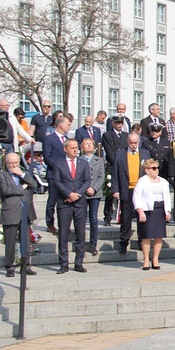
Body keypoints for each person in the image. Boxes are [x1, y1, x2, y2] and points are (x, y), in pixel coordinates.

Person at [0, 153, 38, 277]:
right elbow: (6, 191)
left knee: (25, 241)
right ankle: (9, 266)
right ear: (6, 163)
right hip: (11, 212)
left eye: (16, 163)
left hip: (25, 212)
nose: (14, 165)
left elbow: (34, 185)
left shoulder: (23, 174)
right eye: (11, 163)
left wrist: (22, 175)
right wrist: (22, 187)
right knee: (10, 241)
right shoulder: (1, 175)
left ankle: (25, 266)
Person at [53, 139, 90, 274]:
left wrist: (77, 194)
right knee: (63, 233)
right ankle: (63, 263)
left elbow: (87, 181)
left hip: (79, 202)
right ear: (65, 149)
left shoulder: (84, 163)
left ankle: (79, 263)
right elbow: (56, 182)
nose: (75, 150)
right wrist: (68, 193)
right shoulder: (59, 164)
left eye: (76, 148)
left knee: (80, 233)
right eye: (72, 148)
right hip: (65, 203)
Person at [112, 133, 151, 255]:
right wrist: (115, 190)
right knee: (126, 219)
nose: (133, 145)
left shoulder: (145, 153)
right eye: (131, 143)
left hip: (141, 191)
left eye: (135, 143)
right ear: (127, 142)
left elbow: (150, 172)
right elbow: (115, 173)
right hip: (126, 190)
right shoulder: (120, 154)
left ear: (139, 142)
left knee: (141, 218)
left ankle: (141, 242)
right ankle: (124, 243)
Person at [132, 158, 171, 270]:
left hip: (160, 209)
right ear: (146, 170)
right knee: (147, 236)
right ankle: (145, 260)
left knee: (159, 236)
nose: (156, 170)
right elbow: (136, 197)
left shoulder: (163, 181)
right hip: (148, 210)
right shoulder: (142, 181)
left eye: (157, 168)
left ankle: (155, 259)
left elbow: (167, 197)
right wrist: (140, 211)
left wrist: (167, 210)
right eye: (153, 168)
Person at [43, 115, 72, 235]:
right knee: (52, 200)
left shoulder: (67, 139)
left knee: (65, 201)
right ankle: (50, 223)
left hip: (66, 176)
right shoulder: (49, 139)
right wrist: (59, 167)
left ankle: (64, 225)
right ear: (61, 125)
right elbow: (47, 157)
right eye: (68, 124)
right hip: (54, 174)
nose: (69, 126)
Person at [101, 114, 129, 226]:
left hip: (125, 166)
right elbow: (110, 152)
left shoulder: (126, 135)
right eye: (117, 123)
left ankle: (122, 215)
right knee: (110, 192)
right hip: (112, 166)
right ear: (113, 123)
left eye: (121, 123)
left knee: (124, 192)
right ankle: (107, 216)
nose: (119, 125)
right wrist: (119, 163)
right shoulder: (107, 135)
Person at [80, 138, 104, 256]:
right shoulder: (79, 160)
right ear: (82, 147)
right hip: (82, 193)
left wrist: (93, 188)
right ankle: (81, 242)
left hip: (95, 193)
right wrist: (84, 189)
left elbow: (101, 177)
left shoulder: (99, 160)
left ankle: (93, 244)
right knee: (82, 219)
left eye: (90, 144)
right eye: (86, 144)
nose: (89, 146)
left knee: (93, 219)